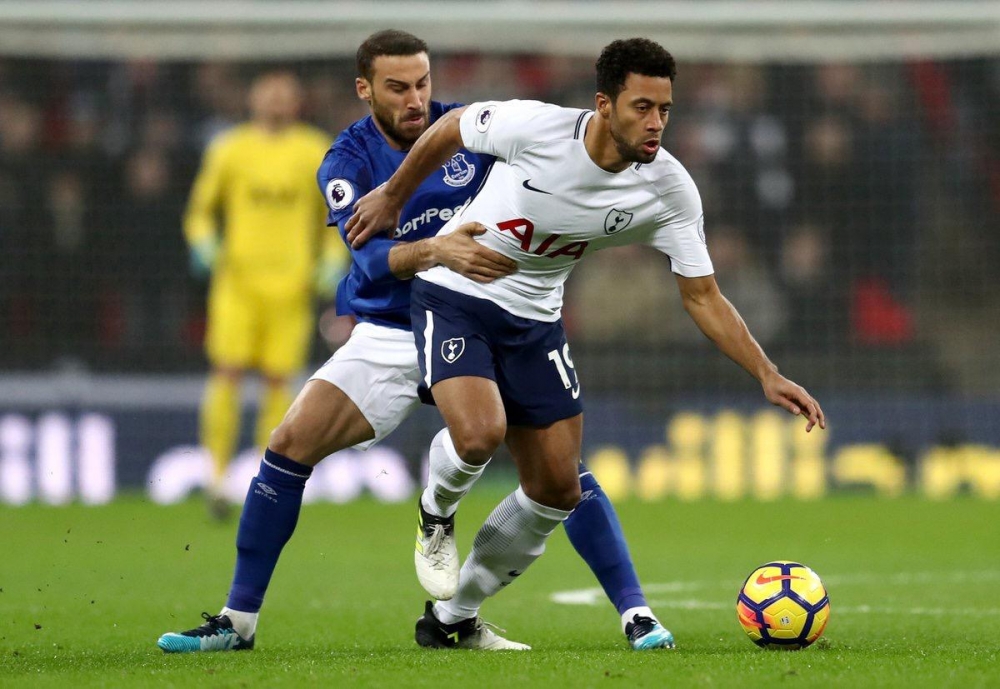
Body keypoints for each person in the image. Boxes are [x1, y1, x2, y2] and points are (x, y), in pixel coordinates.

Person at [158, 30, 673, 654]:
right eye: (397, 87)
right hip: (393, 330)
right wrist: (436, 250)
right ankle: (237, 622)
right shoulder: (346, 160)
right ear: (364, 89)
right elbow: (372, 262)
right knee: (289, 444)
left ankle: (630, 614)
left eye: (422, 84)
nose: (414, 99)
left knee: (562, 474)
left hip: (481, 319)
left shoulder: (468, 134)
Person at [345, 37, 826, 649]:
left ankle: (452, 618)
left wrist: (766, 372)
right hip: (457, 293)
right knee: (481, 433)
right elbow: (452, 127)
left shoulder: (668, 188)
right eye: (641, 107)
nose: (655, 124)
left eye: (664, 110)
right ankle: (436, 512)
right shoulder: (537, 128)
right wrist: (393, 195)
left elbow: (703, 296)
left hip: (536, 320)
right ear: (604, 104)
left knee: (557, 489)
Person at [182, 71, 348, 519]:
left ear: (297, 102)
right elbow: (200, 211)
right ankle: (216, 476)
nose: (275, 101)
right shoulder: (230, 148)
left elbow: (334, 214)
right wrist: (204, 243)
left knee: (278, 381)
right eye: (268, 94)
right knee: (227, 372)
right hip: (237, 284)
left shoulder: (314, 150)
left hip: (291, 288)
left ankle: (262, 476)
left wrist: (333, 259)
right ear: (253, 100)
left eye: (284, 95)